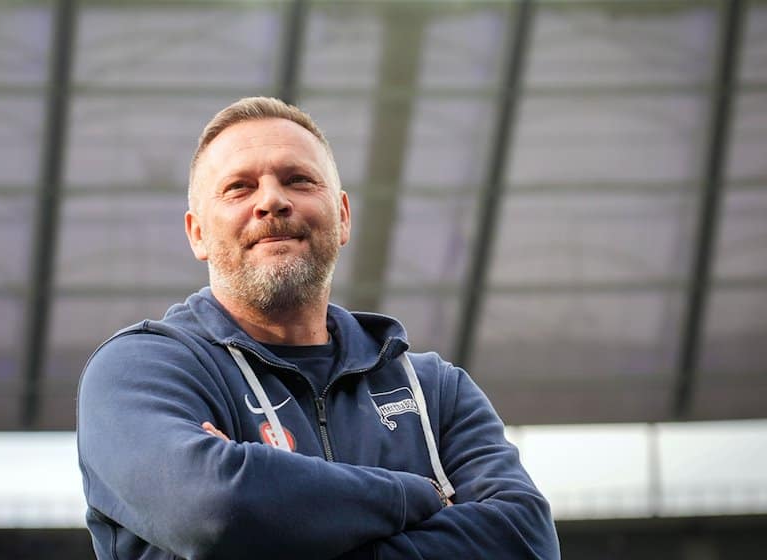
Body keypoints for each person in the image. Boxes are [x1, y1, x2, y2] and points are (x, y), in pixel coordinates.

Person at [77, 97, 559, 559]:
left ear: (343, 216)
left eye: (298, 180)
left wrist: (269, 513)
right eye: (239, 187)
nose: (271, 201)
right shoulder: (139, 370)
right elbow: (215, 508)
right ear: (197, 233)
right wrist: (419, 497)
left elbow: (526, 541)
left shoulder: (435, 391)